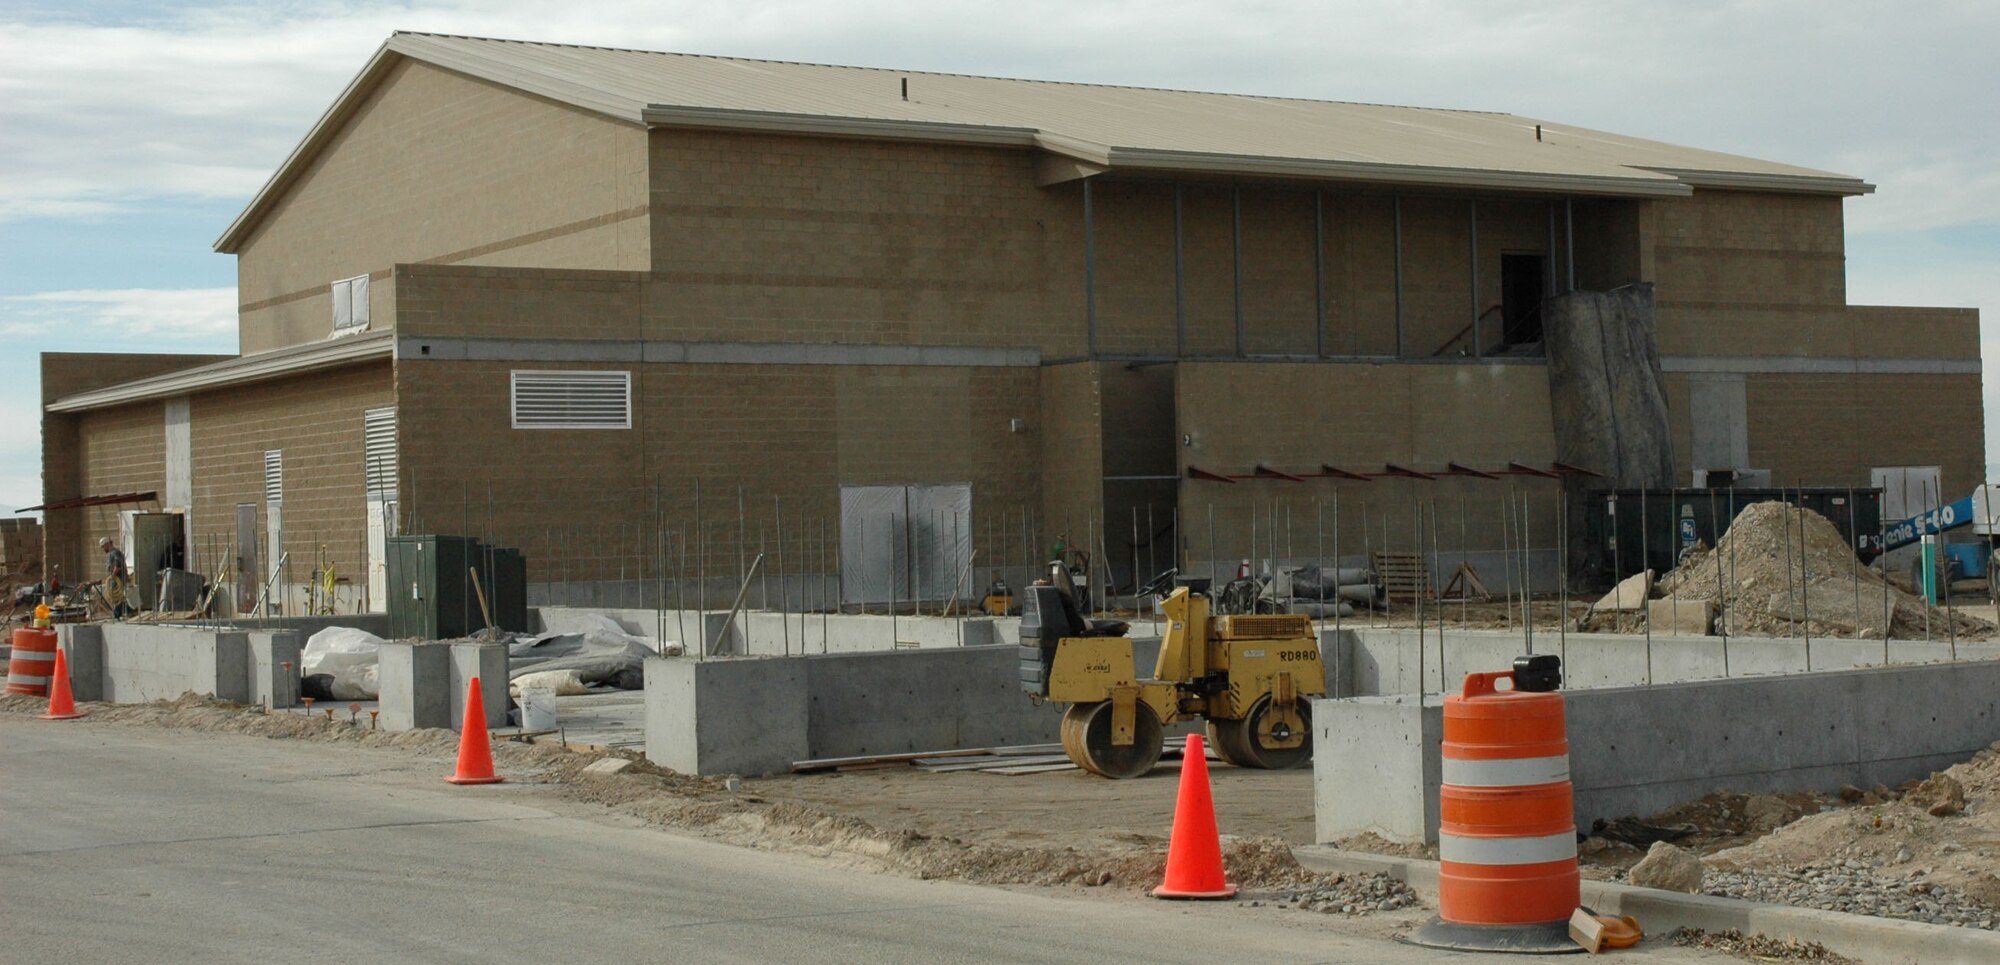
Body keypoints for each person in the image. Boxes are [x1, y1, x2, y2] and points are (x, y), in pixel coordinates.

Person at [99, 536, 133, 619]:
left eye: (103, 546)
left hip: (118, 578)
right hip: (116, 578)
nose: (103, 549)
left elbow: (118, 565)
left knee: (116, 597)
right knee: (118, 598)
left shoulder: (114, 553)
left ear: (107, 544)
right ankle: (127, 611)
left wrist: (113, 575)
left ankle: (118, 614)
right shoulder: (113, 553)